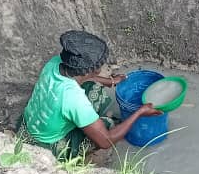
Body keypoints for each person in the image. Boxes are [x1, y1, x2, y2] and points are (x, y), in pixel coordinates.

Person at [16, 30, 161, 160]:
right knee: (108, 125)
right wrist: (139, 112)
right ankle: (74, 155)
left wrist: (110, 81)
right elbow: (105, 141)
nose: (100, 67)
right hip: (44, 145)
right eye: (99, 66)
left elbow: (82, 78)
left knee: (94, 89)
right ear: (87, 70)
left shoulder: (55, 64)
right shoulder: (73, 98)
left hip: (29, 124)